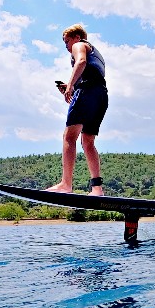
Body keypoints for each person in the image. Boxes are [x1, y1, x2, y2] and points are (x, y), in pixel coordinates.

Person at [46, 24, 108, 196]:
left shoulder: (79, 45)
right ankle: (97, 189)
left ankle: (66, 184)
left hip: (87, 92)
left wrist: (71, 86)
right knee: (87, 141)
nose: (67, 46)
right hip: (101, 95)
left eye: (67, 41)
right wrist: (71, 86)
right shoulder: (95, 52)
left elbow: (81, 62)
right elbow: (92, 73)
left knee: (69, 136)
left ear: (77, 37)